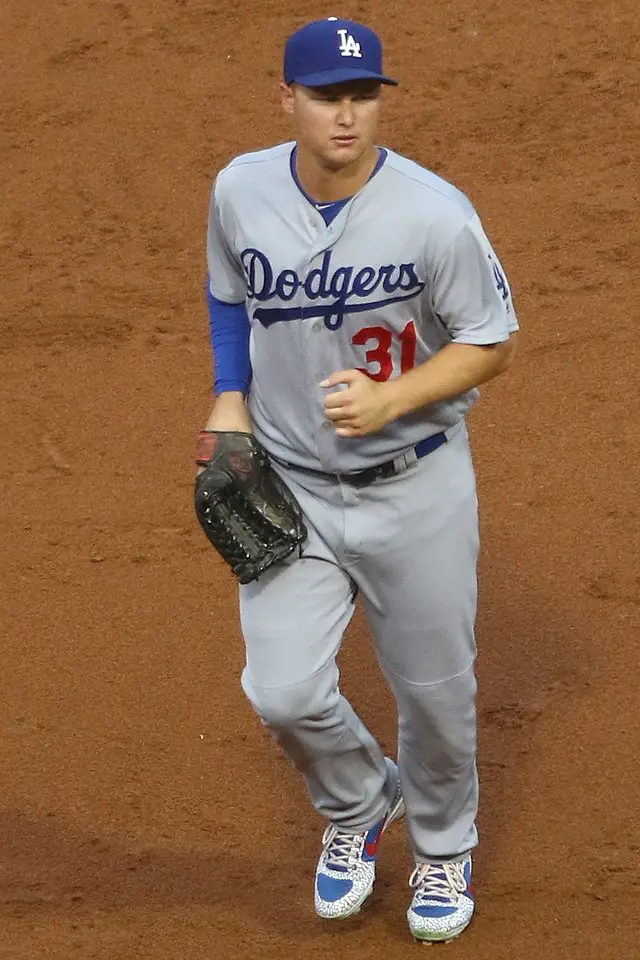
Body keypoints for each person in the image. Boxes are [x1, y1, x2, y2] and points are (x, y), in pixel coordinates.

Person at [199, 16, 518, 944]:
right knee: (282, 691)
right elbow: (227, 291)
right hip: (292, 482)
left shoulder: (436, 214)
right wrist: (230, 396)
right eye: (328, 97)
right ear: (286, 98)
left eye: (363, 96)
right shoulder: (240, 190)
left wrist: (394, 399)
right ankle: (357, 802)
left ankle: (443, 845)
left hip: (415, 484)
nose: (347, 116)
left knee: (434, 691)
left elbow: (489, 342)